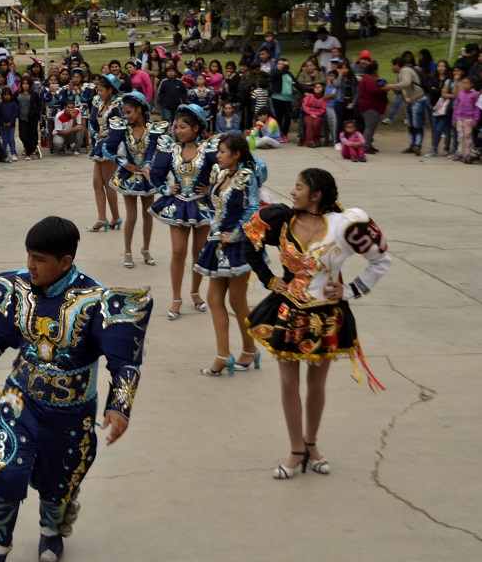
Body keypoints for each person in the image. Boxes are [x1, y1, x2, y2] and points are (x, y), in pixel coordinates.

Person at [0, 216, 150, 562]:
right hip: (20, 399)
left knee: (59, 483)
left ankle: (50, 531)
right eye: (29, 255)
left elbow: (124, 363)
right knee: (5, 470)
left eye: (39, 259)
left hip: (72, 413)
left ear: (65, 262)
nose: (30, 265)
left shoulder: (97, 303)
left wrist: (120, 406)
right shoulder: (20, 291)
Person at [243, 168, 391, 479]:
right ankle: (296, 450)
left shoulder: (346, 225)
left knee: (316, 386)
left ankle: (312, 445)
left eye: (299, 187)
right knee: (287, 385)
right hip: (287, 314)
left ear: (316, 195)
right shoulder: (282, 219)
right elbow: (249, 243)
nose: (292, 191)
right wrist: (270, 280)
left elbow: (381, 260)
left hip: (327, 316)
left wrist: (351, 289)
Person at [192, 132, 261, 375]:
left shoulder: (246, 176)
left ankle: (249, 350)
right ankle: (224, 354)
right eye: (218, 151)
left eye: (222, 152)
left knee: (237, 300)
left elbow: (253, 208)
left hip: (238, 247)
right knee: (214, 299)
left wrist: (236, 235)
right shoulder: (221, 175)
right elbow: (216, 205)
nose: (218, 155)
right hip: (217, 243)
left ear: (236, 154)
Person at [148, 105, 219, 319]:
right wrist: (166, 189)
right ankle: (176, 298)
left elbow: (224, 171)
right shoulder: (170, 149)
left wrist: (211, 189)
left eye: (184, 126)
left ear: (196, 128)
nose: (179, 131)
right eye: (177, 126)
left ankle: (195, 293)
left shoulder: (209, 149)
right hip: (178, 205)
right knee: (178, 251)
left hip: (202, 206)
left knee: (199, 253)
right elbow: (156, 175)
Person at [102, 92, 163, 268]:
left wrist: (147, 165)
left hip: (147, 176)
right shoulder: (123, 128)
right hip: (128, 176)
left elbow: (152, 149)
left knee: (148, 214)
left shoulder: (152, 129)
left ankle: (146, 249)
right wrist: (123, 163)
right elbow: (107, 148)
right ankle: (127, 251)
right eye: (125, 113)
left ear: (139, 110)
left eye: (129, 112)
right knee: (132, 215)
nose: (126, 116)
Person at [86, 76, 123, 232]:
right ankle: (104, 218)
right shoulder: (98, 103)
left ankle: (114, 217)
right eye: (97, 90)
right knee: (97, 182)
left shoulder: (117, 106)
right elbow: (92, 121)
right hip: (99, 144)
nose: (99, 93)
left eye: (101, 90)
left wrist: (106, 133)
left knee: (108, 183)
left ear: (110, 90)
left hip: (111, 145)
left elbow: (122, 125)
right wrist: (96, 133)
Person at [388, 57, 428, 155]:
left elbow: (406, 83)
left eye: (392, 65)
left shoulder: (405, 70)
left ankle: (417, 145)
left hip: (417, 99)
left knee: (417, 125)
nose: (391, 68)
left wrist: (391, 86)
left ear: (397, 65)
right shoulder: (402, 73)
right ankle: (412, 145)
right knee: (411, 125)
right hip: (410, 101)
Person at [451, 75, 481, 163]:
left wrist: (476, 120)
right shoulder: (460, 93)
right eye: (463, 83)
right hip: (460, 118)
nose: (464, 85)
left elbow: (477, 108)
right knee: (460, 136)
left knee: (468, 137)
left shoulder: (475, 94)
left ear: (472, 84)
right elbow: (456, 106)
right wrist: (454, 118)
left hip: (469, 119)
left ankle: (467, 154)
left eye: (467, 83)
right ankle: (460, 153)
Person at [13, 77, 42, 160]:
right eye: (23, 83)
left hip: (32, 117)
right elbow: (12, 101)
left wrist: (35, 112)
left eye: (27, 84)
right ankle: (34, 148)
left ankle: (28, 153)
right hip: (22, 117)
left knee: (30, 135)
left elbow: (39, 105)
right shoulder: (18, 93)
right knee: (22, 136)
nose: (25, 85)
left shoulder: (34, 94)